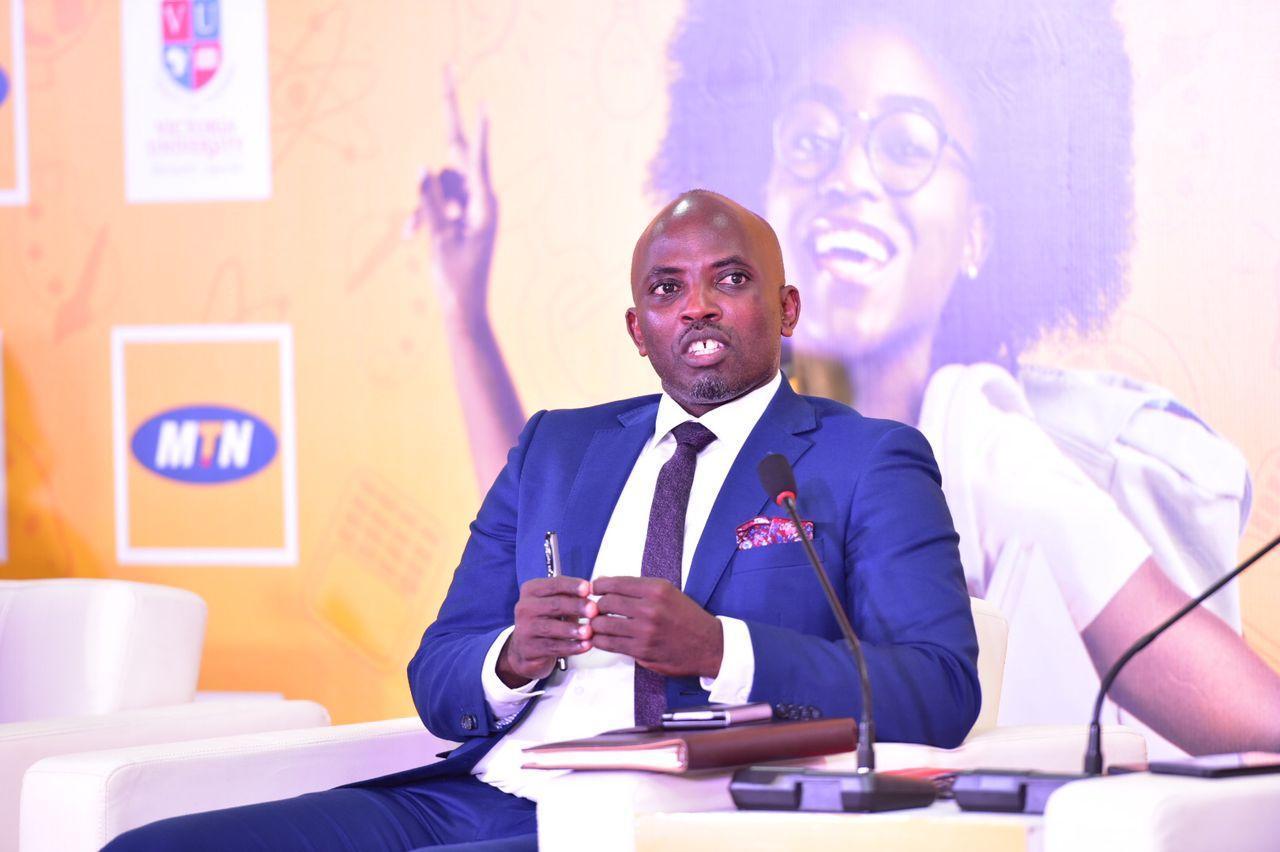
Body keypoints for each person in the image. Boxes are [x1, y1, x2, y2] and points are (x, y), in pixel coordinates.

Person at [416, 0, 1280, 757]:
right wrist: (465, 314)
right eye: (812, 141)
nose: (848, 178)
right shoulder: (685, 434)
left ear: (981, 232)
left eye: (905, 146)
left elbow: (1231, 705)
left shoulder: (979, 442)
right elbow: (554, 528)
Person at [107, 190, 980, 850]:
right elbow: (439, 673)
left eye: (731, 279)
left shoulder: (866, 459)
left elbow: (940, 691)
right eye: (668, 288)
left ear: (786, 310)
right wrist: (512, 657)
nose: (698, 306)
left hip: (664, 819)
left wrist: (721, 649)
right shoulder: (556, 449)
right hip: (485, 793)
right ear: (638, 328)